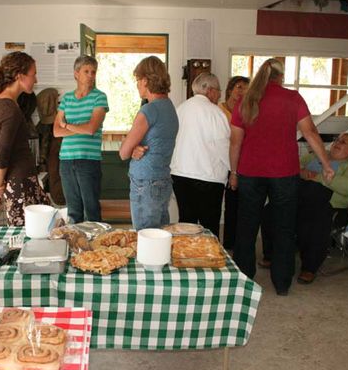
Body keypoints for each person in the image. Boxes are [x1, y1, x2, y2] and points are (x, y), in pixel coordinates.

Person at [229, 58, 334, 296]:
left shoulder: (245, 101)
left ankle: (245, 283)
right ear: (280, 77)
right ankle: (282, 283)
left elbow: (236, 142)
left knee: (246, 227)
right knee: (285, 228)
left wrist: (234, 172)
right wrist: (326, 163)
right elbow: (310, 133)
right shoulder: (292, 98)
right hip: (284, 173)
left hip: (250, 172)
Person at [0, 51, 48, 225]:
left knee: (42, 226)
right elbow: (1, 154)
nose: (35, 80)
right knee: (26, 235)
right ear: (20, 76)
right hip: (20, 183)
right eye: (33, 74)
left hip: (19, 180)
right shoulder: (9, 109)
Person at [295, 133, 348, 283]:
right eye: (337, 140)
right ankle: (271, 255)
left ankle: (309, 268)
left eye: (343, 142)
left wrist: (317, 178)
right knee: (274, 208)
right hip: (303, 196)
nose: (337, 143)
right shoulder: (318, 155)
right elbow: (295, 164)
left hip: (333, 206)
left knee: (317, 211)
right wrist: (302, 172)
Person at [119, 56, 178, 230]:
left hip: (145, 184)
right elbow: (154, 140)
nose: (137, 85)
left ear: (145, 80)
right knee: (160, 237)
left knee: (146, 239)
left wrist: (129, 147)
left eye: (137, 80)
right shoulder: (169, 106)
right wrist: (133, 147)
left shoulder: (149, 110)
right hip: (162, 179)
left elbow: (123, 153)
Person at [170, 73, 230, 237]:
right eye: (218, 90)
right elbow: (223, 146)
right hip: (208, 179)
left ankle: (185, 258)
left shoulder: (180, 109)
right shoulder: (215, 113)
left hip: (180, 175)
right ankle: (209, 260)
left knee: (186, 224)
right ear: (210, 90)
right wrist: (234, 171)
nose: (219, 95)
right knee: (209, 227)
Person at [53, 55, 109, 223]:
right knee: (73, 211)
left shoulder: (100, 97)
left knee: (91, 210)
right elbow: (56, 131)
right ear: (76, 73)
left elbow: (91, 128)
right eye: (86, 71)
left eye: (93, 72)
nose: (91, 75)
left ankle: (97, 248)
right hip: (66, 160)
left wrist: (68, 126)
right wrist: (79, 128)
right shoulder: (67, 99)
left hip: (88, 160)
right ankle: (76, 247)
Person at [219, 76, 250, 250]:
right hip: (219, 162)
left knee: (235, 203)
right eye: (239, 87)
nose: (241, 91)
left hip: (238, 162)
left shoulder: (247, 111)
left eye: (246, 88)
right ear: (230, 89)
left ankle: (233, 242)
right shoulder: (218, 109)